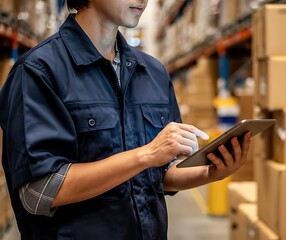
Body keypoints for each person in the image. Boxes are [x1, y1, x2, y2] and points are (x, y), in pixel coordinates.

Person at [0, 0, 251, 239]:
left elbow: (159, 174)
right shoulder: (39, 71)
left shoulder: (152, 72)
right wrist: (146, 154)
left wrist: (210, 172)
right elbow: (39, 191)